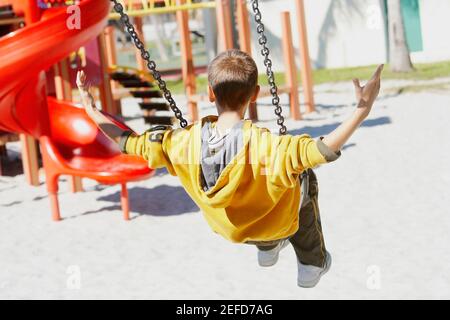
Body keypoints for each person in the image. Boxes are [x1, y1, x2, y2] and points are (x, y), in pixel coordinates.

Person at [77, 49, 383, 288]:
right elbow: (323, 148)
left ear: (210, 93)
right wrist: (361, 111)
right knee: (303, 173)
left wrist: (91, 109)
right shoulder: (268, 147)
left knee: (275, 180)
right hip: (275, 222)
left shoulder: (180, 143)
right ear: (255, 94)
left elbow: (127, 141)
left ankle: (267, 248)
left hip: (229, 229)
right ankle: (311, 262)